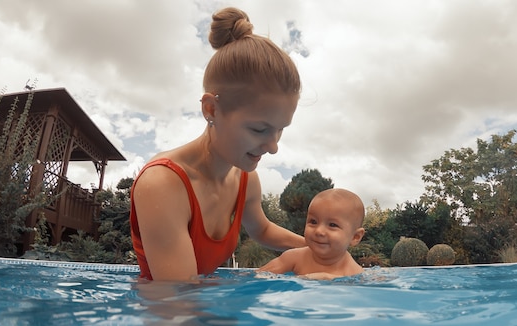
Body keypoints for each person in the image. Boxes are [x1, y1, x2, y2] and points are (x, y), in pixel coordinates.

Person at [130, 7, 305, 281]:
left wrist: (323, 247)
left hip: (211, 313)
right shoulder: (162, 184)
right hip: (167, 321)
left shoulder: (246, 178)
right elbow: (179, 299)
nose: (273, 147)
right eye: (259, 129)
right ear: (211, 110)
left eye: (280, 130)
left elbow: (262, 230)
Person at [259, 188, 366, 280]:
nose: (319, 231)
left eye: (332, 225)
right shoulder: (294, 257)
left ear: (355, 237)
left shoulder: (354, 272)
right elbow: (259, 276)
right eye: (313, 222)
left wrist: (333, 279)